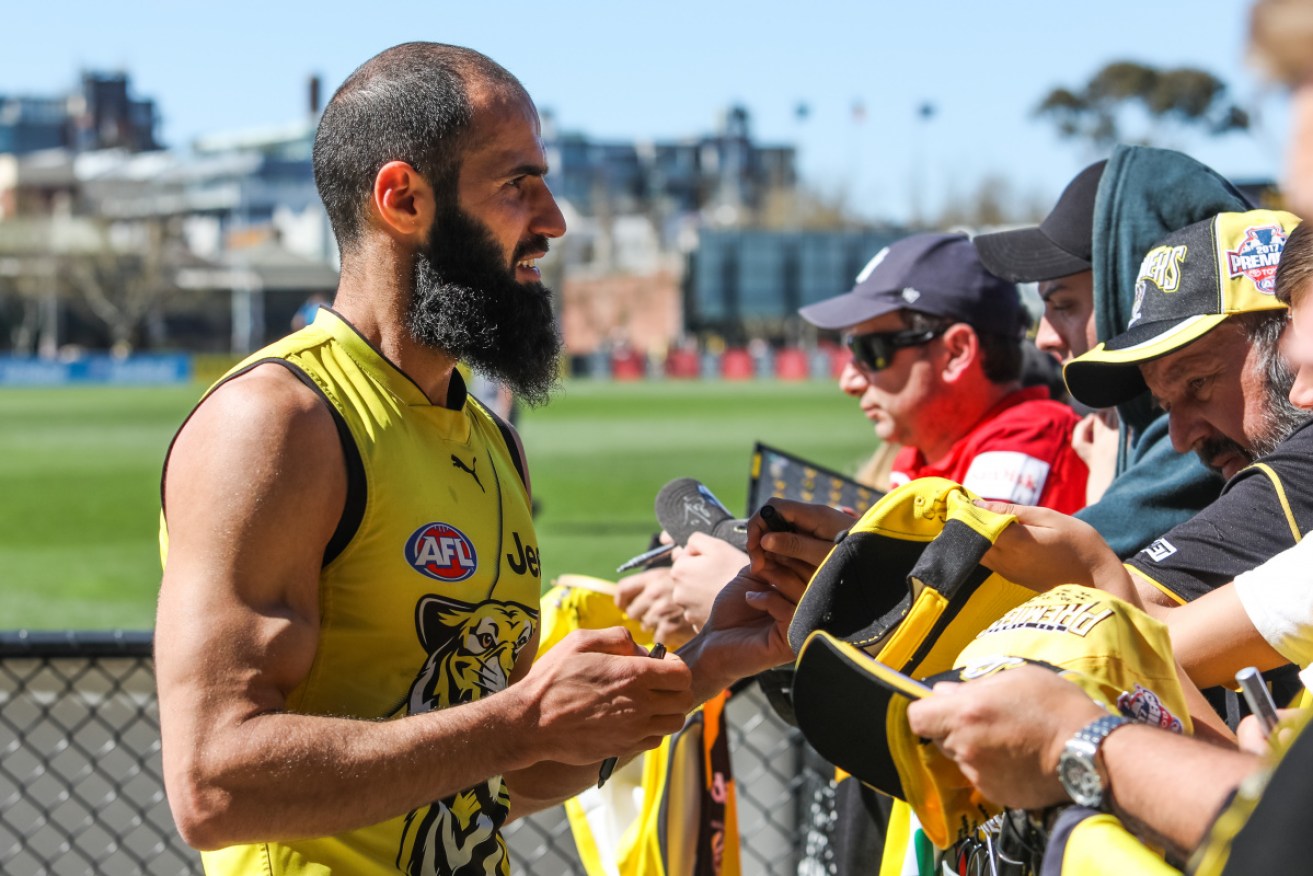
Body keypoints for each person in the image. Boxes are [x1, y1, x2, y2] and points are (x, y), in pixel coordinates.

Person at [153, 42, 795, 876]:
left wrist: (712, 661)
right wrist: (518, 721)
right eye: (516, 184)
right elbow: (214, 786)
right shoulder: (279, 424)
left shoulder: (493, 445)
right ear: (403, 198)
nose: (554, 220)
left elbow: (504, 774)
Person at [974, 146, 1248, 559]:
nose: (1044, 338)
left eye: (1064, 306)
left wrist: (1101, 488)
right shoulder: (1132, 426)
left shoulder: (1211, 440)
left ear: (1140, 295)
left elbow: (1042, 573)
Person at [799, 231, 1089, 514]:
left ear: (957, 352)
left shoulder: (1029, 436)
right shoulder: (917, 453)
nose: (849, 382)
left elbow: (959, 562)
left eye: (872, 351)